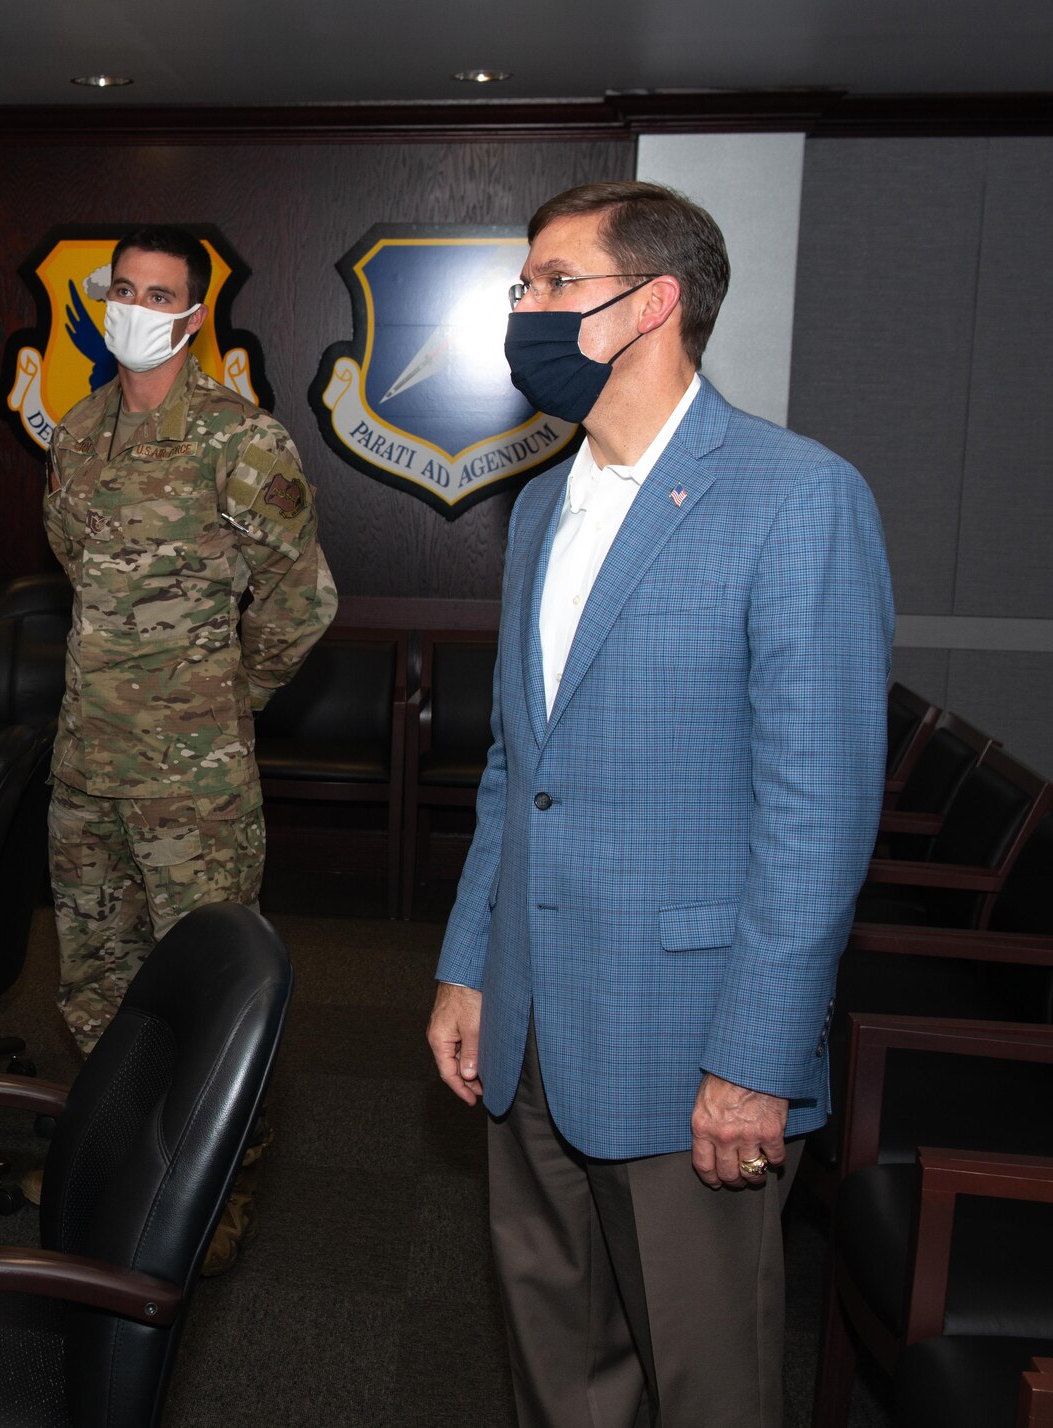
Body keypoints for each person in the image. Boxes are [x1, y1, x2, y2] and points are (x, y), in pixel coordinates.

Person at [424, 181, 893, 1427]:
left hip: (689, 1050)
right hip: (528, 1027)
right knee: (555, 1376)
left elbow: (818, 815)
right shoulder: (536, 506)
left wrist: (751, 1060)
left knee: (704, 1390)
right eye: (518, 287)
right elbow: (512, 768)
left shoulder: (796, 498)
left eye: (551, 284)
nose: (521, 310)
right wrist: (469, 966)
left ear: (654, 304)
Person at [42, 225, 338, 1270]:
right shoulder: (76, 433)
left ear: (192, 314)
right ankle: (114, 1152)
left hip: (192, 784)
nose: (134, 304)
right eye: (121, 287)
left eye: (156, 292)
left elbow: (301, 600)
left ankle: (223, 1183)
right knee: (96, 984)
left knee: (214, 994)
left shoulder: (238, 440)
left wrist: (224, 699)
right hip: (83, 768)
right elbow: (74, 568)